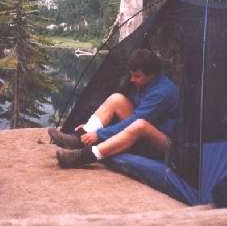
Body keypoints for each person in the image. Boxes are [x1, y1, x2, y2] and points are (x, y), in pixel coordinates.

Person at [48, 48, 179, 168]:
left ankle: (86, 156)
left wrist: (99, 135)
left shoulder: (162, 92)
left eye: (137, 76)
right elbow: (129, 114)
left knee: (140, 124)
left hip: (164, 142)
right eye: (132, 75)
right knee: (116, 98)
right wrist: (92, 129)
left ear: (152, 74)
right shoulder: (143, 83)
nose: (132, 79)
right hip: (147, 126)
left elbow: (135, 120)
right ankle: (78, 139)